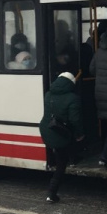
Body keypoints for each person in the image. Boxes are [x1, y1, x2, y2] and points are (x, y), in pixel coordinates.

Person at [39, 72, 85, 203]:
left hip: (47, 130)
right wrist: (80, 135)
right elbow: (75, 120)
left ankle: (71, 158)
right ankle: (51, 193)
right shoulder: (73, 98)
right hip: (59, 134)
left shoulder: (48, 95)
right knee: (61, 164)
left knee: (61, 153)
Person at [89, 31, 107, 171]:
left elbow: (91, 69)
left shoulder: (98, 52)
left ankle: (106, 153)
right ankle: (106, 156)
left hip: (100, 93)